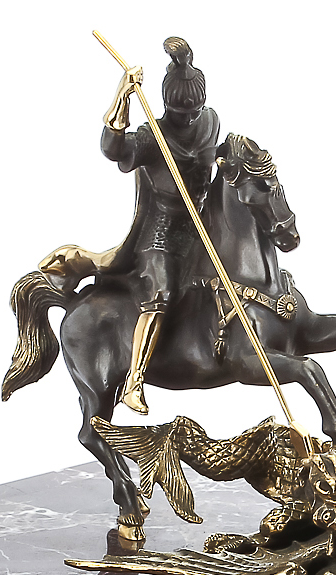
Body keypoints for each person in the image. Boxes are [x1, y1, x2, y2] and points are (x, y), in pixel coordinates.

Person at [100, 37, 220, 414]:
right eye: (182, 113)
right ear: (168, 106)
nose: (190, 119)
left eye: (195, 110)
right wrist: (123, 96)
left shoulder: (210, 122)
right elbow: (113, 149)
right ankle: (134, 381)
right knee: (162, 295)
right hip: (161, 235)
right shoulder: (152, 136)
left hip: (202, 227)